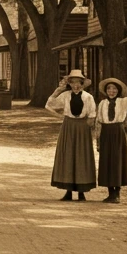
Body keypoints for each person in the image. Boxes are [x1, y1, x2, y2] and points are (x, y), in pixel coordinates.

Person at [46, 70, 97, 201]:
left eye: (78, 83)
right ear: (70, 84)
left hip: (82, 127)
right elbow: (50, 105)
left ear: (82, 83)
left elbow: (92, 114)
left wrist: (88, 127)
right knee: (68, 155)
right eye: (73, 82)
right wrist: (58, 91)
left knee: (81, 157)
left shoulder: (88, 97)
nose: (76, 85)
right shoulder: (65, 96)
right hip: (68, 126)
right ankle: (68, 191)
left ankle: (81, 192)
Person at [96, 68, 127, 203]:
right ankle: (110, 192)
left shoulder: (123, 102)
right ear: (106, 90)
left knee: (117, 160)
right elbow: (98, 122)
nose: (112, 91)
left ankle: (117, 193)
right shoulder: (102, 103)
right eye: (109, 88)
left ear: (118, 91)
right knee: (106, 161)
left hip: (117, 132)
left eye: (114, 89)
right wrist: (98, 140)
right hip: (105, 132)